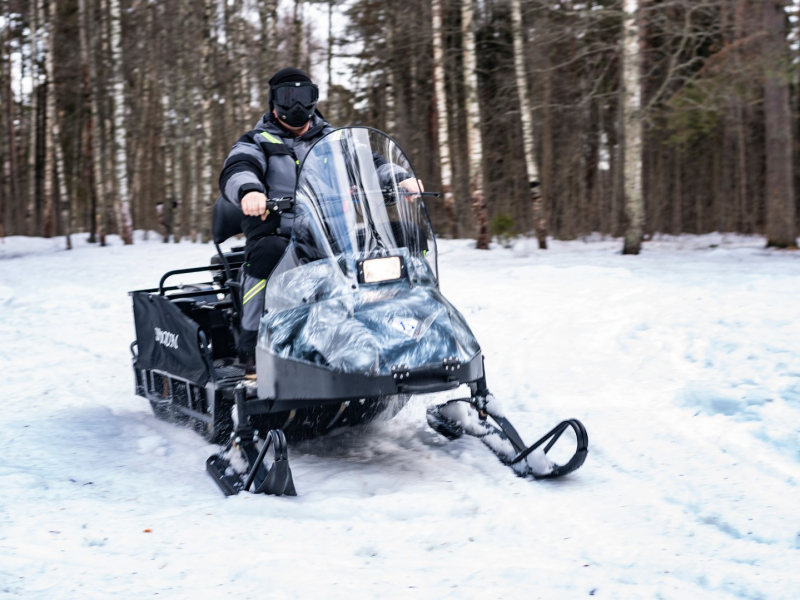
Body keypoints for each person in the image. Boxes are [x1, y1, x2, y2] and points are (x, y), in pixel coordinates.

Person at [219, 67, 423, 370]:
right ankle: (252, 344)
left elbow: (369, 163)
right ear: (274, 101)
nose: (298, 105)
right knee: (267, 254)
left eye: (305, 95)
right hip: (280, 235)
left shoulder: (334, 139)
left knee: (405, 235)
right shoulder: (257, 140)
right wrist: (249, 191)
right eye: (289, 96)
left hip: (332, 234)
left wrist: (399, 178)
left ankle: (402, 331)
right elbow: (238, 168)